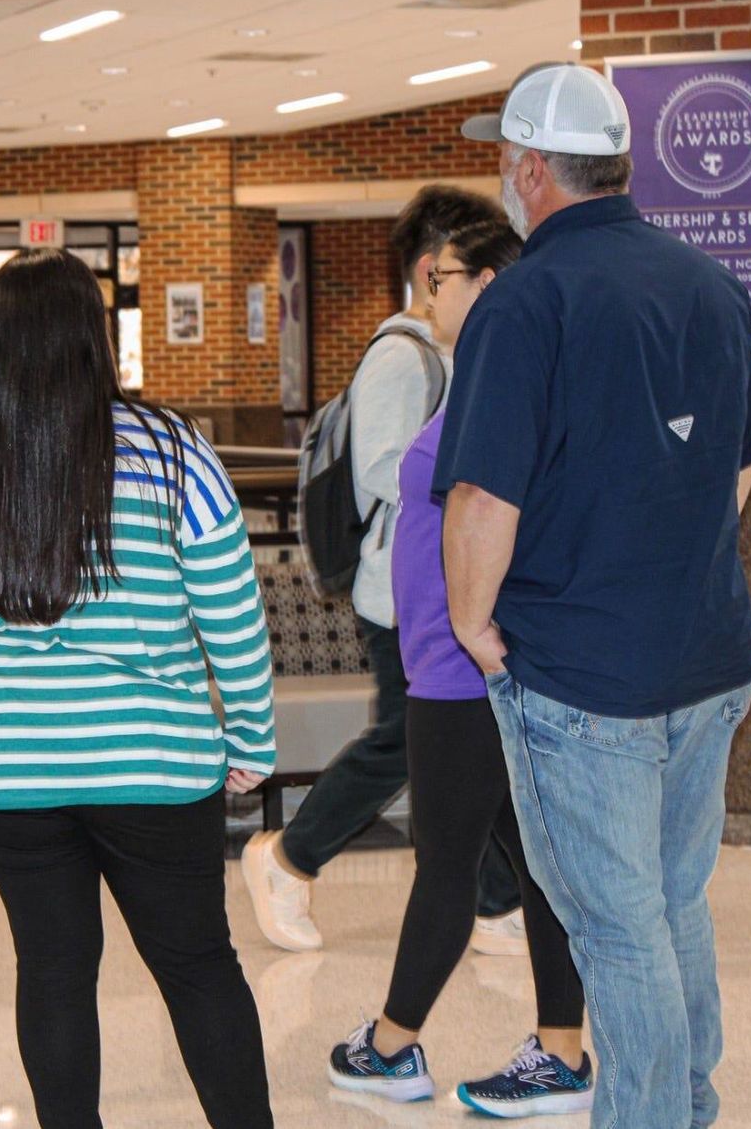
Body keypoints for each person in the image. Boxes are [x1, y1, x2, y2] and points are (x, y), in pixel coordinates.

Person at [435, 64, 751, 1129]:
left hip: (585, 677)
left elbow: (484, 490)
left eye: (504, 154)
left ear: (530, 168)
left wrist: (471, 622)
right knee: (673, 902)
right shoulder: (709, 285)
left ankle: (652, 1113)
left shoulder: (525, 299)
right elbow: (740, 464)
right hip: (708, 658)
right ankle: (690, 1097)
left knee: (617, 925)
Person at [0, 248, 277, 1129]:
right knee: (196, 963)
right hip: (152, 755)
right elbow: (231, 613)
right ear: (94, 338)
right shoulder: (173, 454)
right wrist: (252, 738)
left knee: (54, 967)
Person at [328, 220, 592, 1117]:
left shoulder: (503, 384)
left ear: (483, 283)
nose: (426, 291)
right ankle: (561, 1049)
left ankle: (392, 1044)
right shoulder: (487, 379)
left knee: (444, 862)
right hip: (457, 662)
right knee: (532, 865)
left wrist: (475, 636)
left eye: (437, 276)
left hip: (461, 666)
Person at [241, 185, 524, 955]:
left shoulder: (451, 349)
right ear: (435, 272)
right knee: (408, 741)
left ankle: (498, 901)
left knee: (473, 741)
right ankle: (289, 856)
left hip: (441, 587)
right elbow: (383, 472)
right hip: (405, 597)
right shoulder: (402, 355)